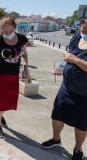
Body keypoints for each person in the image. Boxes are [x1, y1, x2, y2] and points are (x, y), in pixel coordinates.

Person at [41, 19, 87, 160]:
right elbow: (68, 54)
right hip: (66, 88)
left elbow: (72, 57)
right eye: (83, 30)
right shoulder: (77, 36)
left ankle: (78, 149)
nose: (84, 33)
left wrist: (74, 59)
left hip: (85, 94)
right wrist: (62, 68)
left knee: (81, 123)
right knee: (57, 115)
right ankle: (56, 139)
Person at [0, 17, 29, 138]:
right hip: (0, 75)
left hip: (14, 75)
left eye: (10, 31)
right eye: (5, 32)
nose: (8, 34)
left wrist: (25, 68)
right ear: (1, 30)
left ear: (14, 28)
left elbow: (24, 53)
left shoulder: (22, 39)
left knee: (10, 101)